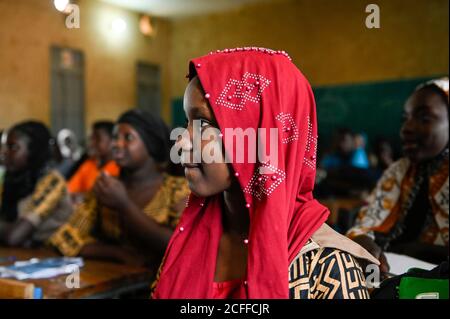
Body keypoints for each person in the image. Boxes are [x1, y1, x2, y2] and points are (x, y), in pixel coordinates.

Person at [151, 47, 378, 299]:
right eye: (186, 123)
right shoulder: (191, 238)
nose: (182, 143)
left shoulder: (327, 265)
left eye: (204, 124)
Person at [50, 109, 190, 273]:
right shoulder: (107, 187)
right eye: (115, 137)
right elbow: (64, 239)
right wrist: (117, 253)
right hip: (115, 282)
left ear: (151, 144)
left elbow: (181, 246)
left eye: (128, 138)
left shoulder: (178, 190)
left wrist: (124, 206)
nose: (116, 144)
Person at [347, 77, 449, 274]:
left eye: (424, 118)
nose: (406, 128)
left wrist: (420, 250)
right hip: (397, 272)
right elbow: (367, 222)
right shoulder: (400, 169)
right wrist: (363, 239)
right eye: (406, 118)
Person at [0, 121, 72, 247]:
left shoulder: (52, 181)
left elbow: (14, 236)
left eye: (13, 147)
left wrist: (12, 231)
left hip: (55, 257)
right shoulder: (14, 178)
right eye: (6, 146)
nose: (4, 153)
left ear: (34, 151)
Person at [67, 121, 119, 203]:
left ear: (113, 141)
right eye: (91, 138)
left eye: (98, 139)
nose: (92, 143)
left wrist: (83, 197)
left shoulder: (119, 168)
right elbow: (69, 191)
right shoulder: (89, 164)